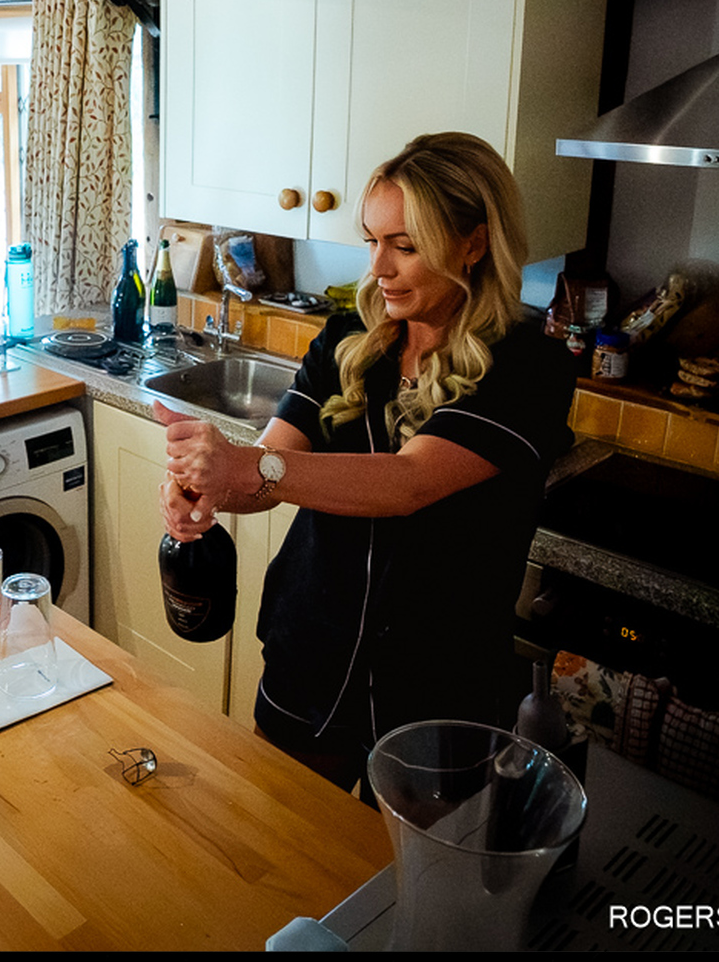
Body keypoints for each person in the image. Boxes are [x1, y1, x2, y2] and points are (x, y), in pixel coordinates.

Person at [156, 132, 575, 802]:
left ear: (474, 243)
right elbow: (269, 473)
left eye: (405, 245)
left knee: (402, 867)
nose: (378, 267)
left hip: (437, 684)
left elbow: (408, 482)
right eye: (372, 240)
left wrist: (247, 467)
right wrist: (205, 490)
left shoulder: (529, 365)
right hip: (312, 650)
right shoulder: (349, 339)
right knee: (284, 847)